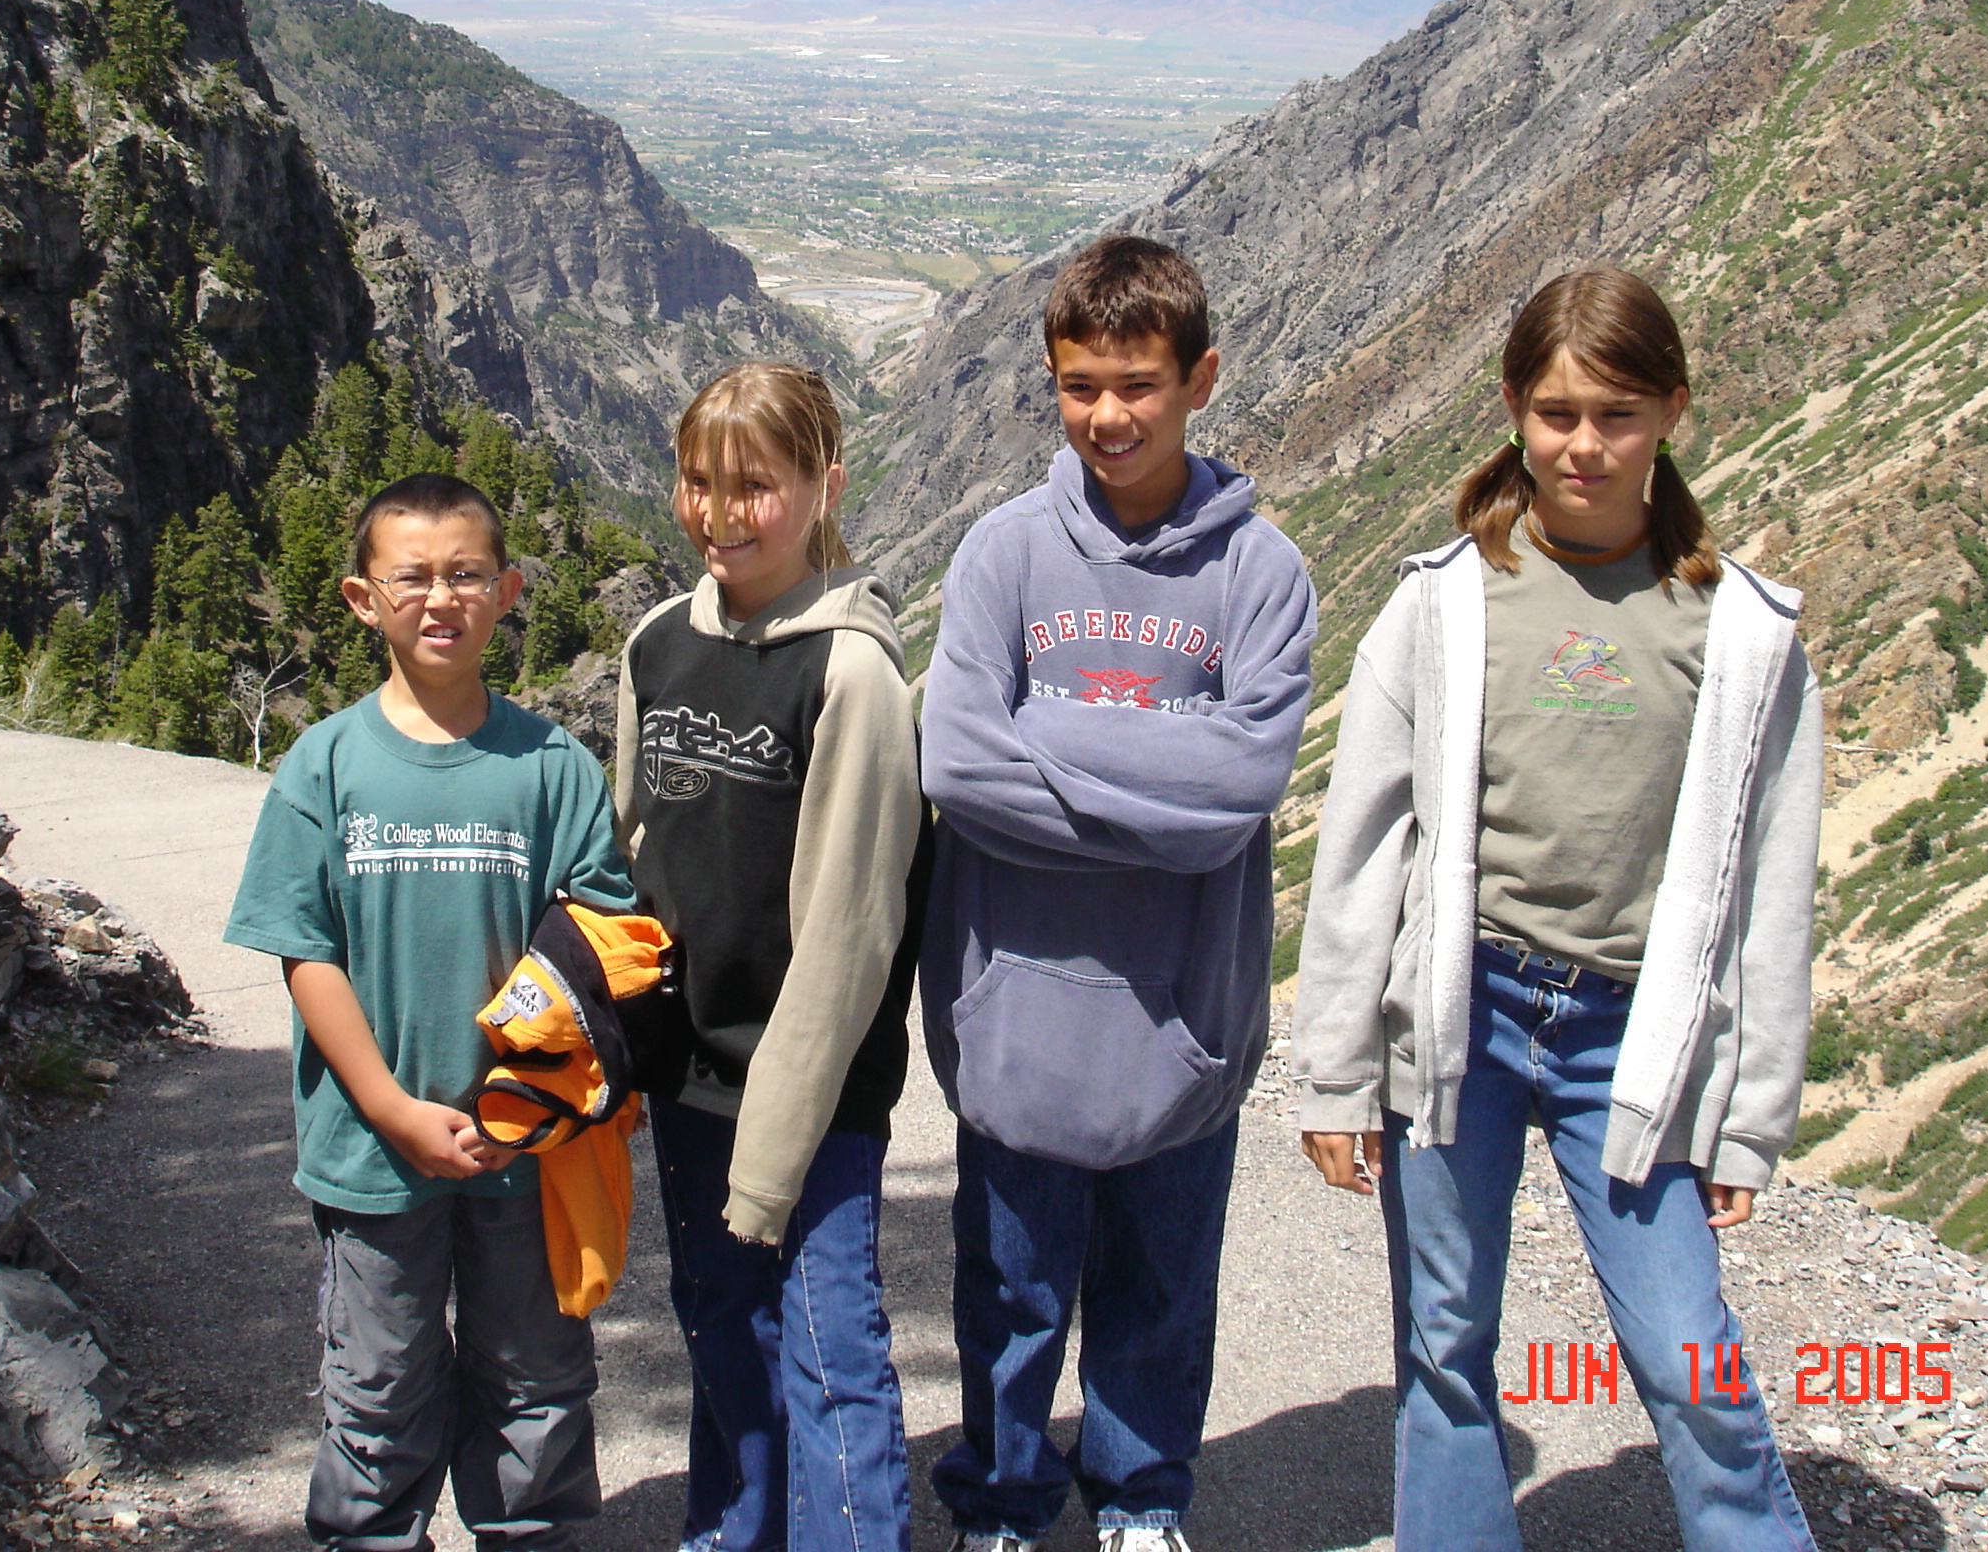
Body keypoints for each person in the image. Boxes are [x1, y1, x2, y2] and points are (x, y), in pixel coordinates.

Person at [1291, 265, 1822, 1552]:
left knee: (1689, 1355)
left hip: (1627, 1041)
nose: (1584, 444)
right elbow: (1363, 845)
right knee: (1445, 1342)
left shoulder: (1741, 632)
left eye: (1618, 414)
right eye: (1558, 412)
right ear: (1515, 411)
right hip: (1463, 1012)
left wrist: (1747, 1117)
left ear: (1673, 412)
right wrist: (1334, 1072)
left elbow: (1770, 886)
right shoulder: (1443, 600)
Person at [919, 234, 1317, 1552]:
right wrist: (1162, 791)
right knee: (1010, 1296)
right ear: (1051, 377)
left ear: (1200, 378)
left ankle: (1143, 1502)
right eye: (1082, 383)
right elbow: (960, 766)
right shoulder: (1001, 557)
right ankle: (1004, 1504)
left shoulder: (1262, 576)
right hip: (1016, 1030)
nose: (1109, 415)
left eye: (1139, 383)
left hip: (1180, 1030)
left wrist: (1049, 737)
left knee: (1159, 1297)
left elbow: (1239, 790)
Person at [224, 471, 633, 1552]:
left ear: (506, 592)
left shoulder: (552, 767)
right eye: (412, 578)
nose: (440, 599)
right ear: (366, 599)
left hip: (525, 1148)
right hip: (373, 1151)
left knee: (538, 1383)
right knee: (377, 1389)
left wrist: (524, 1105)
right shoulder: (325, 765)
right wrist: (392, 1107)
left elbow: (601, 945)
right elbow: (305, 953)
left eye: (466, 576)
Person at [613, 361, 928, 1552]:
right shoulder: (658, 644)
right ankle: (727, 1532)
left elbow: (852, 932)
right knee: (715, 1319)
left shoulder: (849, 672)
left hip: (810, 1094)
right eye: (700, 481)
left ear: (822, 486)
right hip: (693, 1073)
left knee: (829, 1349)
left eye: (756, 484)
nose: (720, 512)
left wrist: (774, 1155)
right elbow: (633, 852)